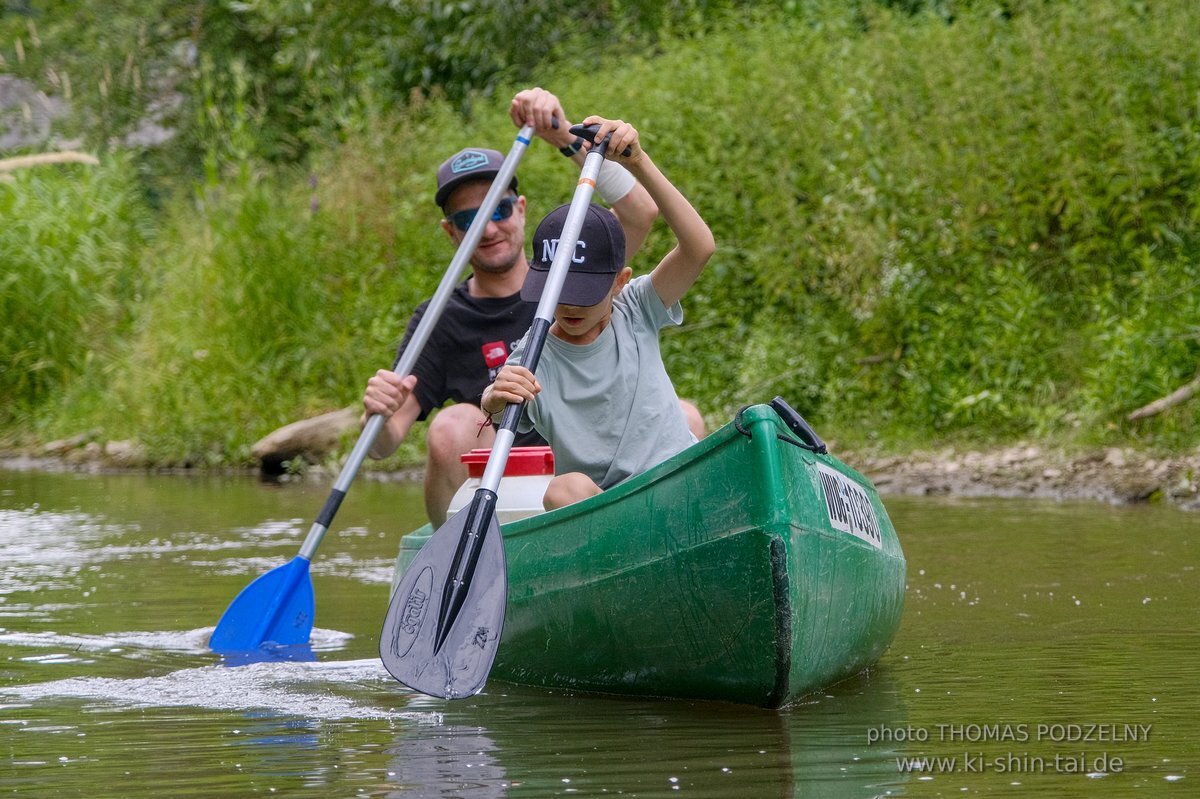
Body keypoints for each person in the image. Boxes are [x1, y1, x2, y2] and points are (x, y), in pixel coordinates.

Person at [361, 88, 703, 527]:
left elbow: (641, 213)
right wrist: (378, 416)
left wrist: (563, 134)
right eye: (469, 220)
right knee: (450, 426)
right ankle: (462, 560)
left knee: (687, 415)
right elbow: (386, 443)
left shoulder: (582, 271)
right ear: (451, 231)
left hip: (595, 465)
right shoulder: (442, 316)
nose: (488, 228)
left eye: (499, 208)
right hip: (506, 474)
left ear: (520, 210)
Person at [481, 116, 715, 511]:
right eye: (559, 292)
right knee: (562, 489)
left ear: (619, 281)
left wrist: (639, 163)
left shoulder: (637, 306)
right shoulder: (534, 352)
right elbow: (498, 401)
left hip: (677, 484)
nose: (570, 305)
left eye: (584, 293)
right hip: (608, 512)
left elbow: (699, 248)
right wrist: (493, 398)